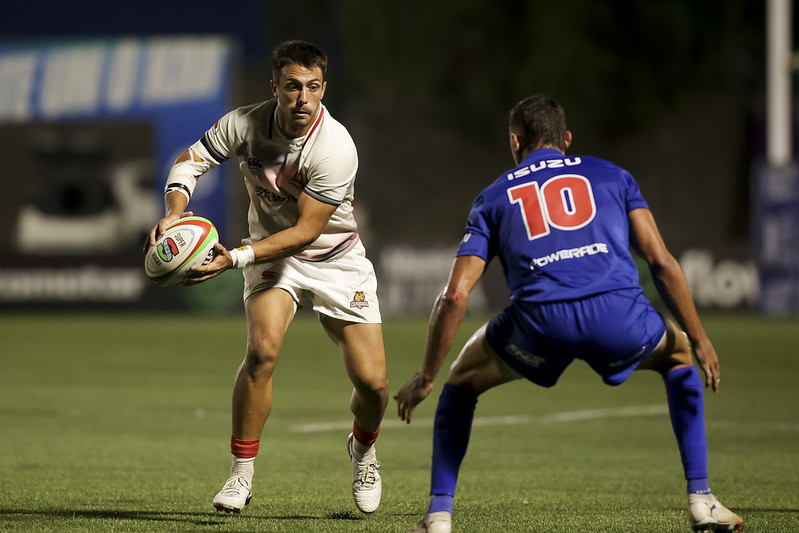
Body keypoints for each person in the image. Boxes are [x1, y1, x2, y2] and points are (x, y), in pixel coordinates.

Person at [394, 94, 743, 533]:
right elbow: (662, 262)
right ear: (568, 140)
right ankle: (702, 500)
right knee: (678, 358)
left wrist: (426, 375)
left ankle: (439, 518)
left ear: (515, 142)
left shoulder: (493, 196)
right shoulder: (614, 176)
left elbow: (455, 296)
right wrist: (701, 338)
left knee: (461, 382)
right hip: (618, 315)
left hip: (539, 323)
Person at [147, 40, 387, 515]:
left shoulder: (335, 147)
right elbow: (189, 161)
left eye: (313, 88)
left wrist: (233, 258)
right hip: (271, 256)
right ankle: (241, 476)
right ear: (274, 86)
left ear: (323, 88)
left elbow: (306, 232)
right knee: (262, 350)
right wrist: (174, 214)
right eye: (293, 87)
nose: (303, 99)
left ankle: (363, 451)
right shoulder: (245, 124)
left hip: (335, 258)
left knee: (374, 384)